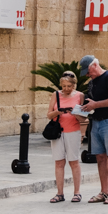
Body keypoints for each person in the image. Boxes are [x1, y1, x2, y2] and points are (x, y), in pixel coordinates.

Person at [79, 55, 108, 204]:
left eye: (88, 71)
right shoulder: (92, 82)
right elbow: (92, 101)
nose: (87, 75)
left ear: (95, 65)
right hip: (96, 122)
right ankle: (104, 191)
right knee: (100, 157)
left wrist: (95, 105)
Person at [47, 72, 86, 202]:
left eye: (69, 86)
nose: (66, 89)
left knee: (74, 162)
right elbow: (49, 115)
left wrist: (74, 113)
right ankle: (59, 193)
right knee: (59, 162)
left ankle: (77, 192)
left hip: (73, 131)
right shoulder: (55, 95)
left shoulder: (80, 95)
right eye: (63, 86)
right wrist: (58, 112)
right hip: (58, 132)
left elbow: (83, 118)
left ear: (74, 85)